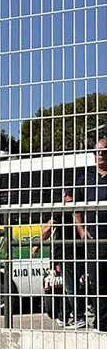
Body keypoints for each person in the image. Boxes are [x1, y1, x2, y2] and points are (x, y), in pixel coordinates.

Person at [36, 189, 86, 328]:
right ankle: (63, 316)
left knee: (71, 287)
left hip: (67, 252)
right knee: (71, 286)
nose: (64, 198)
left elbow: (48, 228)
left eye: (66, 195)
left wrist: (37, 244)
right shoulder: (82, 207)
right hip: (76, 252)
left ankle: (78, 316)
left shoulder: (64, 209)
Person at [73, 138, 107, 332]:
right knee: (98, 284)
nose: (100, 154)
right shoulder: (84, 178)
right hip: (95, 240)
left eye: (104, 151)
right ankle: (101, 326)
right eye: (96, 152)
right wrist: (81, 229)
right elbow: (75, 207)